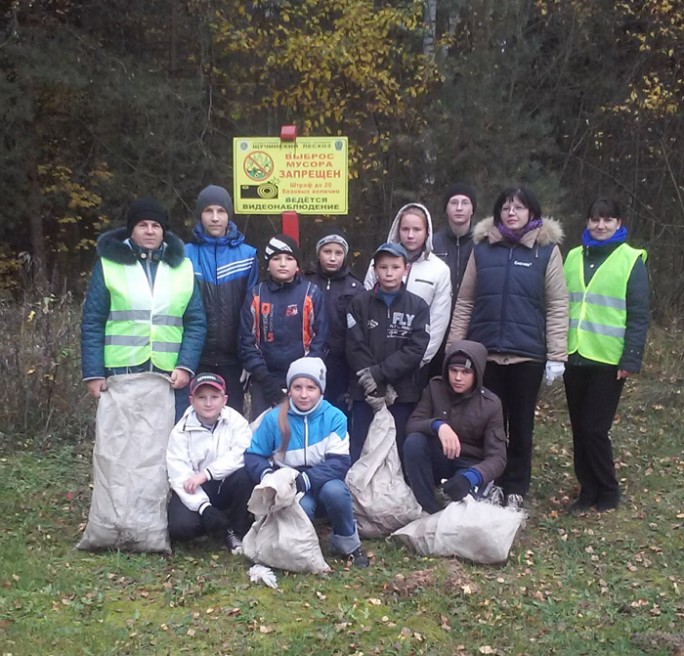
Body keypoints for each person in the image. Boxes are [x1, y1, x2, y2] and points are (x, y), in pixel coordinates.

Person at [446, 186, 568, 509]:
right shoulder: (482, 249)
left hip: (527, 356)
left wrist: (557, 355)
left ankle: (516, 486)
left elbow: (557, 304)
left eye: (519, 208)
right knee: (491, 425)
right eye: (505, 208)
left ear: (532, 213)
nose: (511, 213)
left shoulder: (546, 251)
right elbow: (466, 300)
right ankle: (493, 483)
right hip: (486, 354)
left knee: (522, 424)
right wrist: (455, 347)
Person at [81, 197, 207, 421]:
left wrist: (186, 365)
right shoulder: (109, 265)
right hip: (121, 371)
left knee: (168, 443)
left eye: (156, 226)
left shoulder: (183, 268)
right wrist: (93, 372)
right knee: (123, 442)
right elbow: (93, 321)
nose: (150, 231)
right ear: (131, 230)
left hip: (169, 373)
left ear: (163, 231)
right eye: (143, 225)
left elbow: (196, 322)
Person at [563, 197, 649, 513]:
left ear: (619, 223)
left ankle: (608, 489)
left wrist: (631, 358)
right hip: (574, 355)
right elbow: (560, 304)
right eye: (595, 219)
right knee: (578, 427)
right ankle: (587, 491)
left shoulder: (631, 259)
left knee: (594, 429)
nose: (600, 226)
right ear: (587, 223)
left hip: (608, 361)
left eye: (607, 220)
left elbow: (639, 314)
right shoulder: (572, 257)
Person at [244, 357, 369, 567]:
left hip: (323, 480)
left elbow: (339, 463)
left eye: (311, 387)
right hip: (291, 486)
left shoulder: (335, 417)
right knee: (304, 506)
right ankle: (302, 548)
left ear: (321, 390)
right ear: (289, 389)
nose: (303, 394)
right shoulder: (274, 418)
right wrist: (268, 476)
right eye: (297, 387)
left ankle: (348, 543)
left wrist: (307, 479)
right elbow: (253, 455)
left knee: (337, 493)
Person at [347, 243, 431, 463]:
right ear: (375, 270)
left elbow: (416, 349)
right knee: (361, 448)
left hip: (402, 393)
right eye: (383, 267)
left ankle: (400, 494)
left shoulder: (418, 306)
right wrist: (373, 379)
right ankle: (356, 494)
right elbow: (354, 345)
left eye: (395, 267)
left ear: (406, 269)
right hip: (365, 391)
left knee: (398, 449)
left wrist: (382, 373)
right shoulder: (359, 303)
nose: (389, 272)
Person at [404, 340, 507, 514]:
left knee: (462, 512)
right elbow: (412, 425)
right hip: (441, 457)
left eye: (466, 372)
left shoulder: (491, 404)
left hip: (470, 466)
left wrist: (471, 477)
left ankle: (465, 497)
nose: (458, 378)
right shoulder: (435, 388)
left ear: (477, 373)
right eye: (453, 371)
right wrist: (438, 426)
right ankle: (428, 508)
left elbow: (498, 458)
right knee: (414, 442)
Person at [185, 185, 259, 413]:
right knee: (193, 423)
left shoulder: (247, 255)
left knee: (232, 423)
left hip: (233, 358)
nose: (215, 218)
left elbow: (253, 312)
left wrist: (249, 357)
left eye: (221, 211)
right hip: (196, 357)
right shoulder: (184, 254)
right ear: (200, 215)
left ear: (229, 215)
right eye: (209, 211)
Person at [239, 234, 329, 419]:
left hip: (303, 380)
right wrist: (265, 378)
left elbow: (321, 339)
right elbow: (246, 341)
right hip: (264, 380)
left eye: (289, 258)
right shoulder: (256, 295)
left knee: (299, 432)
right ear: (267, 264)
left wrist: (302, 375)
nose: (282, 263)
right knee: (263, 433)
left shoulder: (311, 294)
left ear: (297, 265)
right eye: (276, 258)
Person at [166, 372, 254, 552]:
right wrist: (203, 506)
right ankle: (213, 523)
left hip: (226, 483)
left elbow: (240, 455)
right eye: (201, 397)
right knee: (180, 528)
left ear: (224, 399)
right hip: (194, 489)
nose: (208, 403)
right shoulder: (180, 431)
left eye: (214, 397)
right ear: (191, 400)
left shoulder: (237, 422)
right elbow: (179, 474)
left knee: (245, 476)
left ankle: (236, 531)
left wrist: (206, 474)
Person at [363, 203, 451, 376]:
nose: (410, 235)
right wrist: (374, 366)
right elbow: (365, 308)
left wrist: (419, 361)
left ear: (427, 232)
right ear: (398, 230)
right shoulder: (377, 263)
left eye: (417, 229)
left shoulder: (439, 270)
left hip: (414, 364)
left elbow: (438, 320)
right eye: (405, 229)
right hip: (375, 361)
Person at [304, 228, 363, 413]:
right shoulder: (305, 283)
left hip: (342, 363)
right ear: (318, 254)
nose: (332, 258)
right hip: (309, 358)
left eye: (338, 253)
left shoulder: (355, 287)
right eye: (327, 252)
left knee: (337, 411)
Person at [430, 183, 477, 378]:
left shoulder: (483, 243)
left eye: (465, 202)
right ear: (446, 208)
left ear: (472, 209)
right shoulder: (432, 242)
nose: (459, 207)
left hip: (473, 323)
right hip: (438, 322)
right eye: (454, 202)